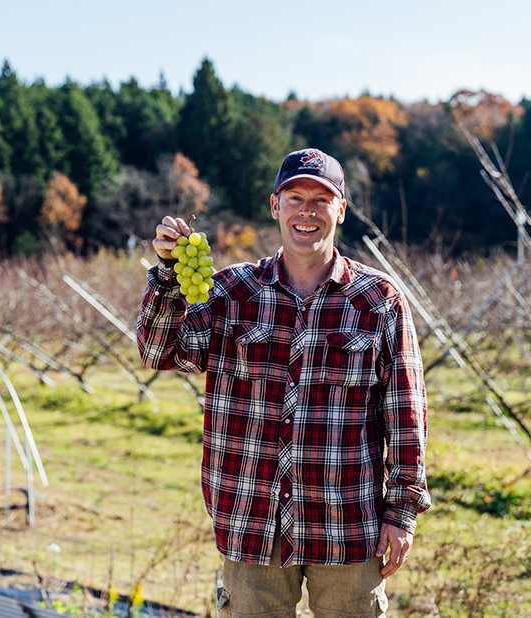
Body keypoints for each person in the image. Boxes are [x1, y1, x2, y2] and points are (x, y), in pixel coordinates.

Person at [137, 148, 430, 618]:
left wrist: (402, 513)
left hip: (347, 523)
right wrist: (169, 275)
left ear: (341, 210)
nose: (306, 211)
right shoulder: (230, 293)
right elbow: (161, 351)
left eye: (321, 199)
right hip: (252, 521)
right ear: (276, 205)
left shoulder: (379, 300)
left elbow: (406, 415)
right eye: (295, 197)